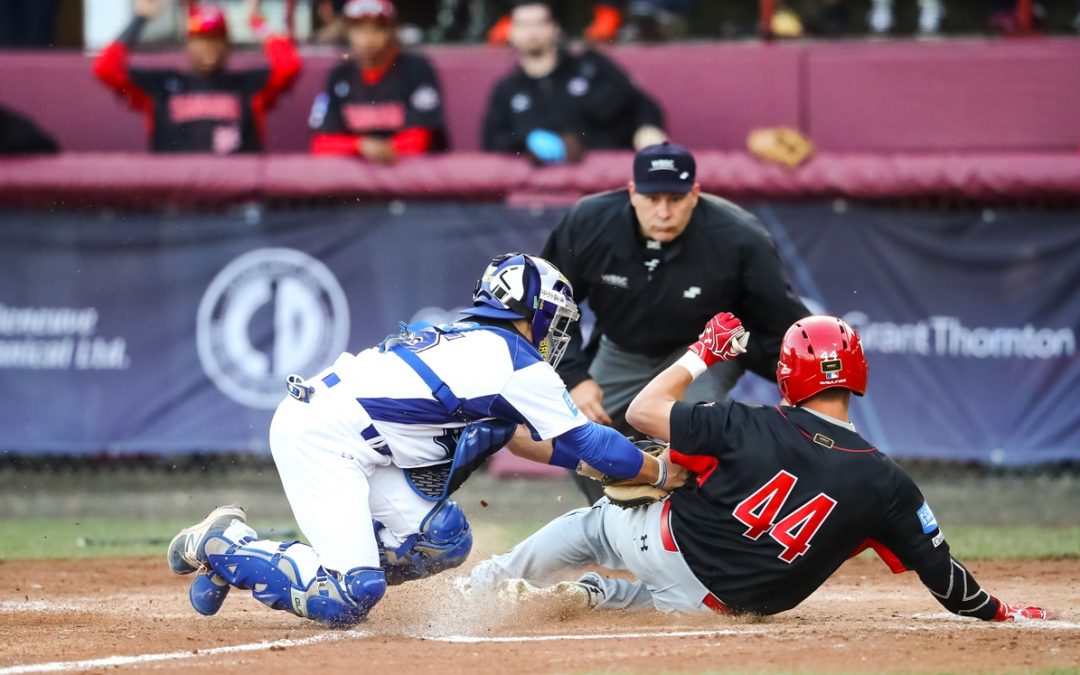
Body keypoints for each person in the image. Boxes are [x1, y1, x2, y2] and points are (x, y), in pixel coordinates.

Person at [166, 252, 688, 628]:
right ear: (532, 310)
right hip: (323, 438)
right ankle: (227, 544)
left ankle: (258, 561)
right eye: (552, 318)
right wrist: (659, 473)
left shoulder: (480, 346)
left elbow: (529, 440)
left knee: (443, 539)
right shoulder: (511, 360)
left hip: (360, 444)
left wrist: (606, 462)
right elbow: (589, 444)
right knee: (350, 596)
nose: (555, 331)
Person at [468, 312, 1050, 623]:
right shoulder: (889, 484)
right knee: (681, 579)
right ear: (858, 377)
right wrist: (998, 612)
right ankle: (597, 595)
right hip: (721, 609)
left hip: (661, 547)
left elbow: (644, 410)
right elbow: (946, 580)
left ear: (788, 376)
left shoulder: (748, 421)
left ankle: (483, 585)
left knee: (600, 520)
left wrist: (704, 352)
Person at [542, 142, 808, 502]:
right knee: (576, 432)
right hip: (621, 348)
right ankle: (610, 515)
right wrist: (574, 377)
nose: (664, 212)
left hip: (705, 349)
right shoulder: (589, 222)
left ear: (695, 194)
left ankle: (686, 524)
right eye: (652, 199)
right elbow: (548, 301)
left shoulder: (740, 237)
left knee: (692, 431)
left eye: (676, 199)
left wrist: (807, 396)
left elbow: (782, 324)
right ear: (632, 192)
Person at [93, 0, 301, 155]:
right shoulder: (162, 85)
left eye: (216, 39)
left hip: (236, 189)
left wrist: (257, 22)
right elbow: (105, 68)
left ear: (227, 45)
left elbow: (289, 65)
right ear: (189, 44)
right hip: (174, 192)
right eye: (201, 39)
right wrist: (140, 19)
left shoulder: (248, 84)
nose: (209, 46)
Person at [482, 0, 666, 165]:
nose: (532, 32)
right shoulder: (507, 88)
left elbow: (641, 104)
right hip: (537, 185)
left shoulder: (590, 67)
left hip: (602, 176)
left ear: (555, 28)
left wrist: (646, 128)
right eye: (524, 24)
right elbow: (492, 140)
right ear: (511, 31)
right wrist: (526, 140)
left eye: (540, 23)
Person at [309, 0, 448, 163]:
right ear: (348, 30)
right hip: (355, 175)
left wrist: (382, 149)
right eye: (359, 28)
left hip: (413, 173)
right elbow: (320, 143)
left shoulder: (416, 68)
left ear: (391, 29)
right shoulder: (339, 75)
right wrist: (361, 146)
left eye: (378, 28)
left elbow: (420, 141)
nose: (368, 38)